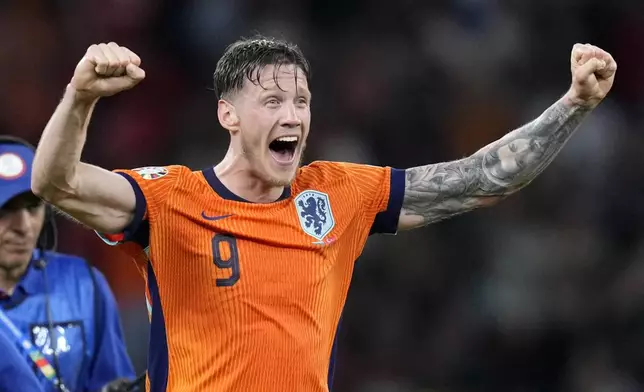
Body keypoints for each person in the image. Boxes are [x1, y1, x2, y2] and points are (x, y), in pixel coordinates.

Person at [31, 37, 616, 391]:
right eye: (273, 101)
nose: (294, 115)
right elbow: (53, 182)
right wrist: (80, 97)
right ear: (228, 116)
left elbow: (482, 179)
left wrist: (574, 105)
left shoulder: (337, 195)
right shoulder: (170, 201)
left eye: (303, 101)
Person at [0, 136, 136, 391]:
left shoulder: (82, 283)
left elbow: (112, 380)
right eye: (5, 210)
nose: (24, 226)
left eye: (33, 208)